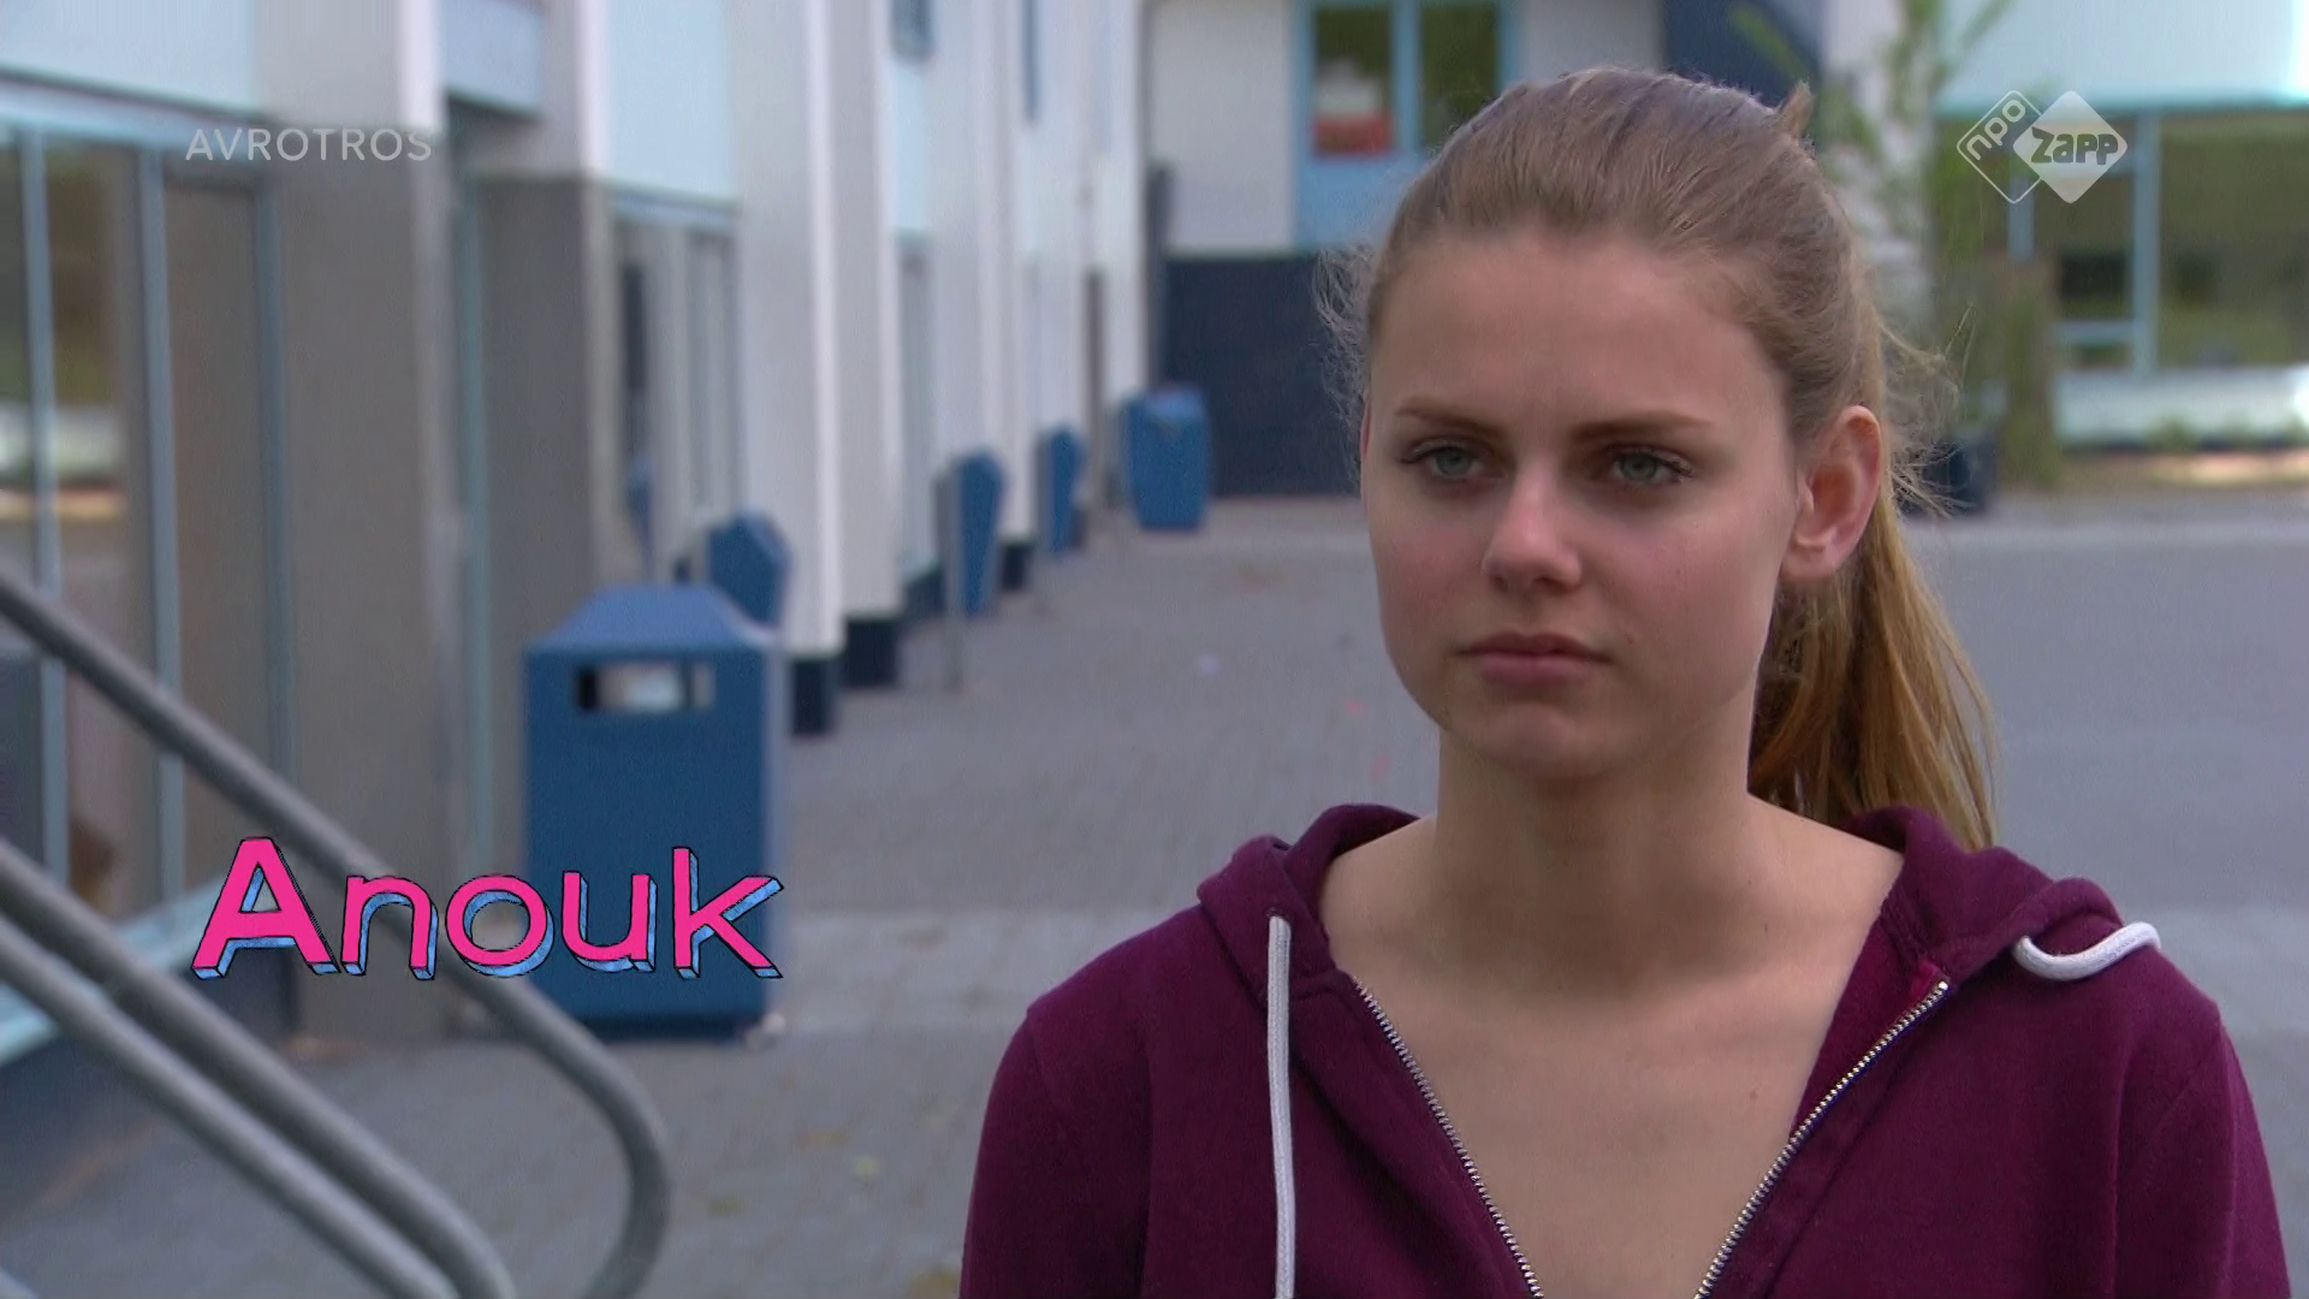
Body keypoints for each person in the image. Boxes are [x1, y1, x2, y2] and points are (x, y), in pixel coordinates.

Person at [957, 68, 2291, 1299]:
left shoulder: (2099, 1080)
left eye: (1636, 465)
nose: (1525, 545)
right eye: (1450, 458)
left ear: (1824, 498)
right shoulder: (1131, 1086)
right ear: (1365, 463)